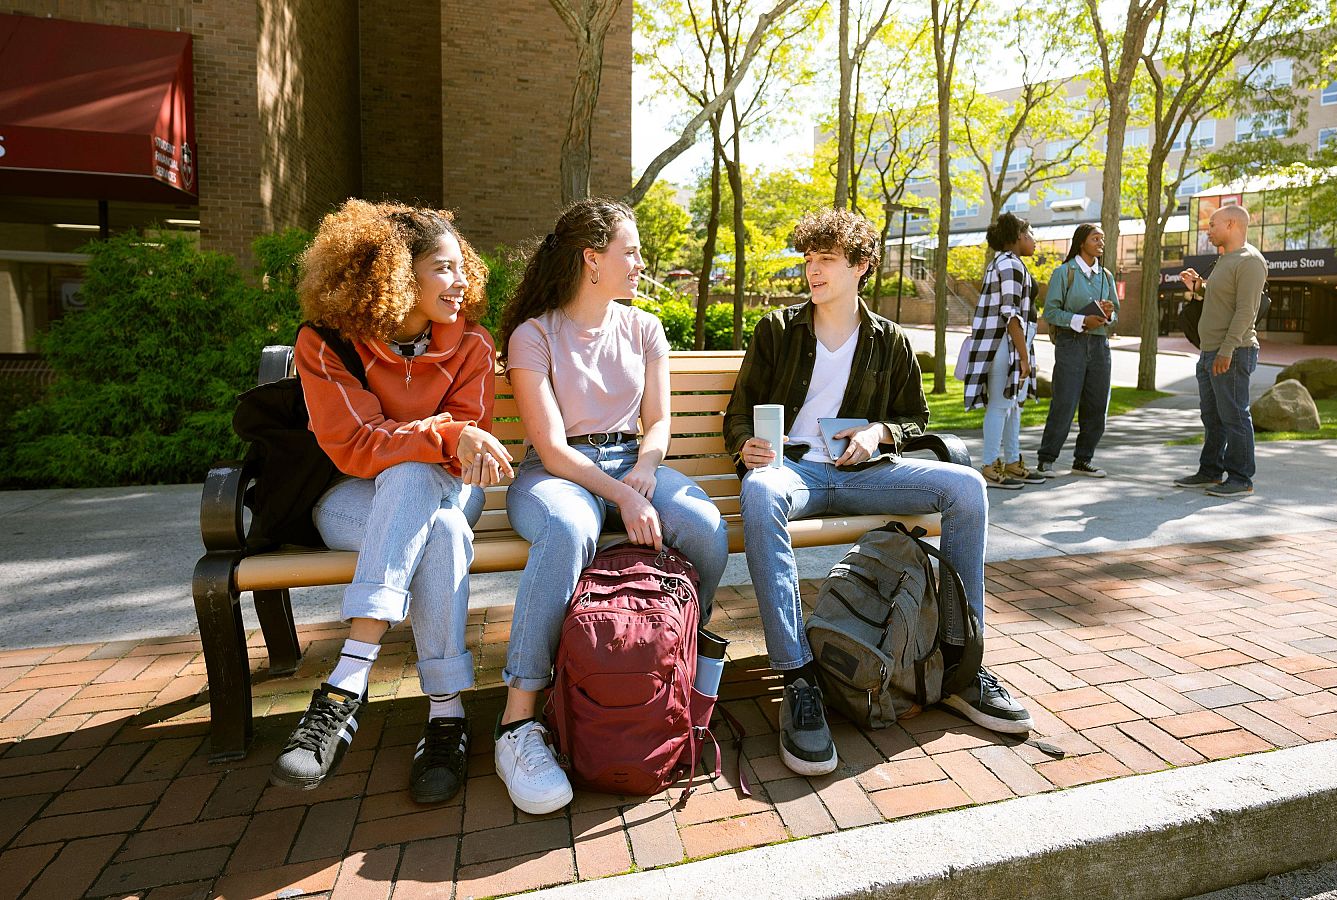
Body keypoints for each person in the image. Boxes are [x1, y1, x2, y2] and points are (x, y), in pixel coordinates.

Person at [725, 208, 1033, 778]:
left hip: (863, 473)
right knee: (761, 493)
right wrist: (746, 445)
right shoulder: (777, 330)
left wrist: (880, 433)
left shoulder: (889, 339)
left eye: (827, 260)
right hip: (795, 473)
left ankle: (961, 664)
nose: (812, 271)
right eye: (809, 259)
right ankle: (798, 679)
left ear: (861, 266)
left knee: (965, 486)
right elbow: (739, 412)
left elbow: (916, 418)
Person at [494, 198, 730, 814]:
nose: (640, 263)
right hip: (558, 473)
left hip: (634, 462)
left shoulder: (644, 327)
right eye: (630, 251)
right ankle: (518, 718)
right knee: (570, 529)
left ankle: (671, 660)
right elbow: (548, 446)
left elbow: (658, 423)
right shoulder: (534, 334)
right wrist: (623, 495)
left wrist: (646, 470)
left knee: (704, 527)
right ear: (591, 260)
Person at [271, 201, 508, 805]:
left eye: (462, 268)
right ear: (398, 274)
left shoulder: (473, 346)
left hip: (450, 489)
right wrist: (446, 434)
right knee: (444, 532)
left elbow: (461, 460)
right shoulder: (327, 344)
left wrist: (444, 442)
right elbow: (354, 446)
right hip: (350, 499)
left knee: (414, 480)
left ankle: (348, 681)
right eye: (442, 269)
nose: (460, 283)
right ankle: (447, 715)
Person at [1176, 204, 1266, 498]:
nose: (1208, 230)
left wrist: (1227, 350)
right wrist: (1198, 287)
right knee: (1212, 417)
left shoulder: (1250, 261)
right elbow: (1221, 301)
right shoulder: (1224, 260)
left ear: (1231, 224)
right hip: (1209, 351)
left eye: (1212, 225)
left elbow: (1246, 311)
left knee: (1235, 415)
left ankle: (1241, 478)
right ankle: (1210, 471)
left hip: (1234, 351)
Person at [958, 213, 1043, 490]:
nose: (1034, 241)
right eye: (1030, 234)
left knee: (1012, 406)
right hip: (1002, 346)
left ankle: (1011, 461)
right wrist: (1023, 355)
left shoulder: (1010, 263)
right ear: (1018, 236)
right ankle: (989, 465)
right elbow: (1011, 312)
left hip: (1008, 345)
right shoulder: (1009, 263)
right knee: (1000, 405)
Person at [1036, 223, 1119, 478]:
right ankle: (1046, 460)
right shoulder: (1065, 273)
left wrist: (1108, 314)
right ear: (1082, 242)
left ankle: (1083, 460)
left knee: (1097, 407)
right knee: (1064, 403)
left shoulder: (1106, 276)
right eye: (1096, 238)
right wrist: (1082, 320)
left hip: (1100, 346)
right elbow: (1050, 312)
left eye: (1102, 239)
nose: (1100, 243)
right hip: (1071, 344)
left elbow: (1114, 314)